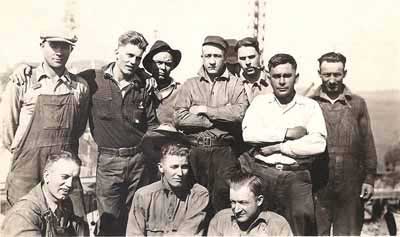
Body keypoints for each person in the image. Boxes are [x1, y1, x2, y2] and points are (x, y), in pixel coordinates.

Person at [0, 24, 90, 221]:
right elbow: (7, 129)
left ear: (71, 50)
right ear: (42, 45)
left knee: (74, 222)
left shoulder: (79, 87)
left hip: (65, 167)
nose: (59, 52)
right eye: (53, 45)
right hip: (27, 169)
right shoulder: (22, 82)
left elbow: (78, 128)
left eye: (64, 47)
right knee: (24, 222)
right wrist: (24, 153)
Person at [78, 31, 158, 236]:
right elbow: (64, 77)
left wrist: (147, 76)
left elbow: (152, 125)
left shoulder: (143, 86)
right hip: (109, 162)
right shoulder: (93, 80)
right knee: (109, 220)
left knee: (136, 219)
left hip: (138, 162)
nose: (133, 61)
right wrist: (25, 69)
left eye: (138, 58)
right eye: (129, 55)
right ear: (117, 52)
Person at [240, 53, 327, 235]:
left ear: (296, 77)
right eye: (276, 76)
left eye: (287, 76)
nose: (281, 81)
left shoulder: (309, 106)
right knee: (261, 227)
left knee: (300, 226)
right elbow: (249, 134)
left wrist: (279, 147)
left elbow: (318, 144)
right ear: (269, 77)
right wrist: (287, 133)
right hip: (263, 174)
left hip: (296, 175)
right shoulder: (260, 104)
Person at [174, 35, 249, 215]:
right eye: (208, 56)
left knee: (224, 204)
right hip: (195, 152)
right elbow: (179, 117)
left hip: (224, 153)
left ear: (224, 58)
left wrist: (205, 109)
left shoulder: (236, 84)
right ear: (202, 58)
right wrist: (212, 120)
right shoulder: (190, 84)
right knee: (194, 204)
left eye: (216, 56)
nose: (212, 61)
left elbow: (239, 113)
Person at [310, 52, 377, 235]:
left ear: (344, 73)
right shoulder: (309, 103)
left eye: (337, 74)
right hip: (318, 182)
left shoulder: (357, 104)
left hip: (350, 184)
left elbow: (367, 142)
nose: (332, 80)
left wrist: (369, 178)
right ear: (319, 73)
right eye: (327, 74)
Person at [126, 141, 209, 236]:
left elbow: (187, 234)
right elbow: (134, 234)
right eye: (174, 167)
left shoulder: (199, 195)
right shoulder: (143, 196)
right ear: (161, 168)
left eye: (184, 167)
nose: (180, 173)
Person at [1, 151, 89, 237]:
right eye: (64, 177)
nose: (70, 184)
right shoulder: (24, 214)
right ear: (47, 176)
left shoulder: (65, 204)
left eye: (74, 179)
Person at [140, 40, 183, 184]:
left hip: (171, 153)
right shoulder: (140, 86)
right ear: (150, 64)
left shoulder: (180, 90)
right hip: (143, 153)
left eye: (168, 64)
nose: (163, 67)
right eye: (159, 63)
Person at [208, 171, 292, 236]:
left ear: (259, 201)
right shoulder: (220, 220)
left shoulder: (277, 225)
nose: (236, 210)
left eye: (243, 202)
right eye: (233, 202)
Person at [235, 37, 272, 102]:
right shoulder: (233, 84)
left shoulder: (272, 81)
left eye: (251, 57)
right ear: (237, 60)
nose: (247, 62)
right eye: (242, 58)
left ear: (260, 55)